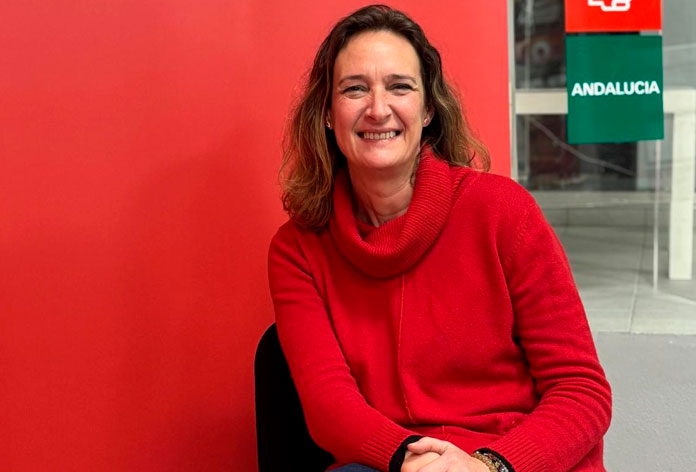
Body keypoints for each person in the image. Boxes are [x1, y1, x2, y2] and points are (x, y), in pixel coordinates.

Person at [267, 5, 612, 472]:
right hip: (392, 464)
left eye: (399, 86)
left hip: (510, 461)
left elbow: (581, 391)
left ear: (429, 108)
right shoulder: (297, 250)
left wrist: (487, 466)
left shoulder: (503, 212)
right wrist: (413, 462)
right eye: (354, 89)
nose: (378, 109)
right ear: (327, 112)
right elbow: (329, 406)